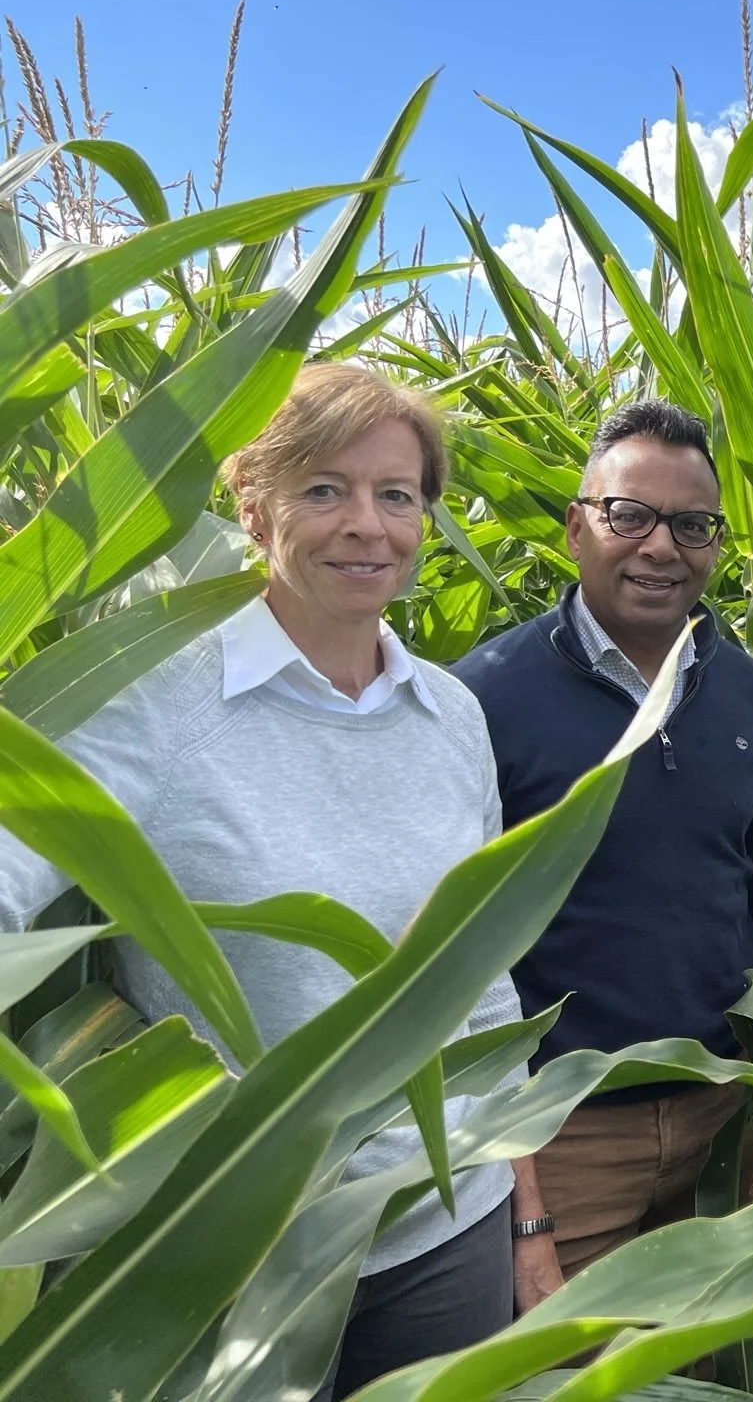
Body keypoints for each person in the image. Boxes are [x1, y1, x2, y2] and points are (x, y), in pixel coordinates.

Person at [0, 363, 526, 1397]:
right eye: (323, 490)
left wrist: (521, 1188)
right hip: (221, 1240)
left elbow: (480, 973)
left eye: (397, 495)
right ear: (252, 505)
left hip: (442, 1216)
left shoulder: (453, 716)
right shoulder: (154, 698)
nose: (366, 525)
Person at [455, 398, 753, 1295]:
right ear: (575, 526)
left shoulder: (749, 693)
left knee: (710, 1372)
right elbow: (458, 966)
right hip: (563, 1140)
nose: (660, 547)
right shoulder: (479, 702)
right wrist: (523, 1202)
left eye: (691, 525)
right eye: (628, 515)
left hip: (719, 1115)